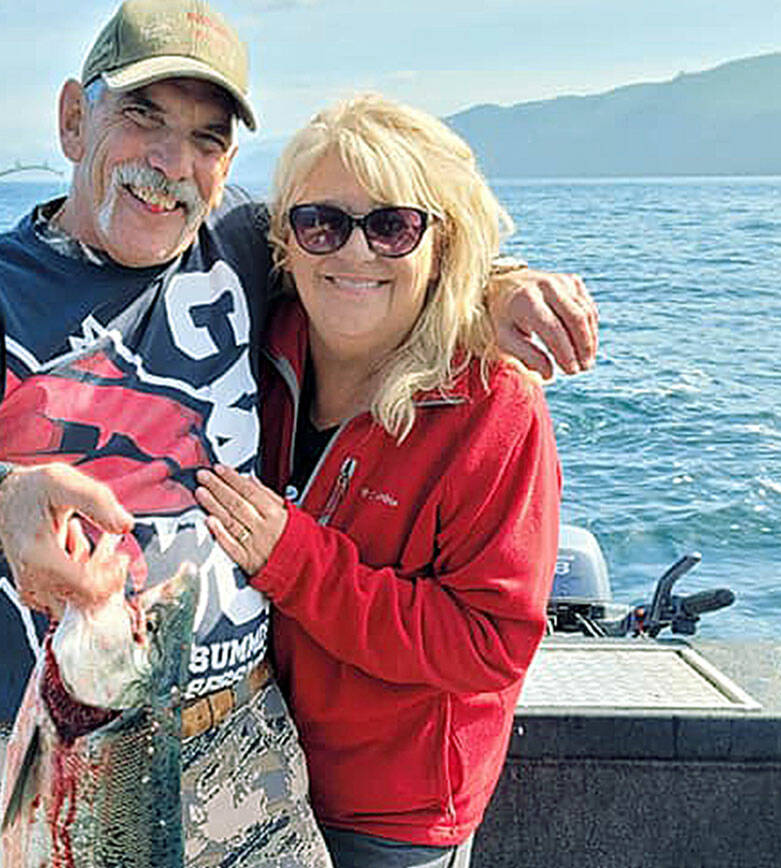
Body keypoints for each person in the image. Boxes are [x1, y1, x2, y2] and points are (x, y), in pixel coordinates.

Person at [0, 2, 592, 866]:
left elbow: (372, 252)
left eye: (207, 138)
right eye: (142, 117)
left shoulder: (241, 246)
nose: (170, 162)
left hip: (245, 743)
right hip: (45, 741)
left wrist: (494, 286)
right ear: (75, 119)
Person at [194, 93, 562, 868]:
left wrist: (294, 558)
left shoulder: (495, 405)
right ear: (286, 244)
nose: (354, 253)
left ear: (443, 243)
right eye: (320, 223)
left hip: (387, 811)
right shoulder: (257, 342)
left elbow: (489, 644)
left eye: (392, 226)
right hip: (243, 762)